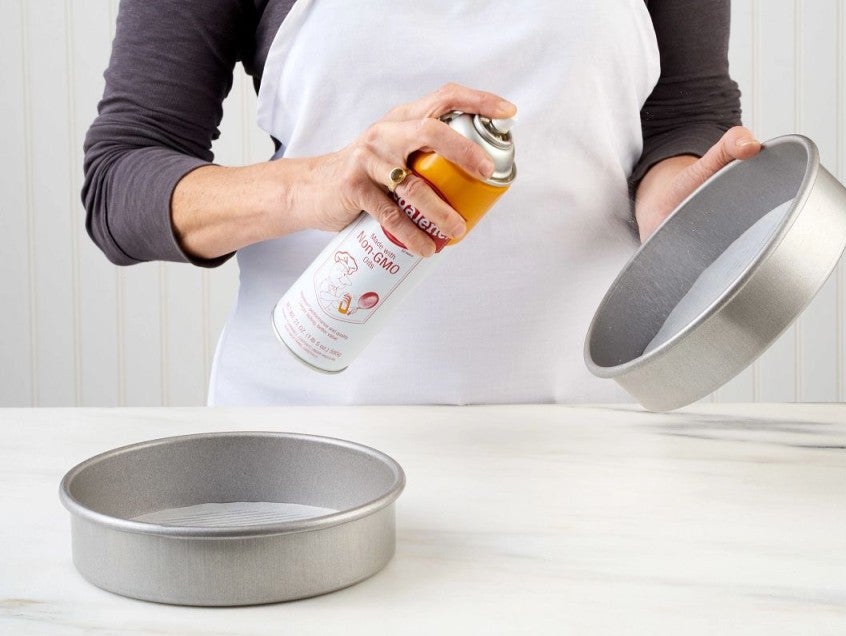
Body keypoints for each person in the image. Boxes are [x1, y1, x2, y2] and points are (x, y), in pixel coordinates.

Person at [83, 0, 761, 406]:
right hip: (311, 435)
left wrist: (673, 197)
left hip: (591, 424)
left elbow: (684, 107)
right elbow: (122, 179)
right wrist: (313, 184)